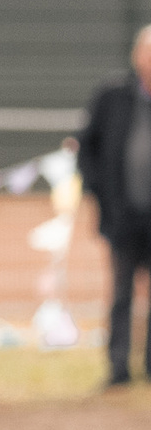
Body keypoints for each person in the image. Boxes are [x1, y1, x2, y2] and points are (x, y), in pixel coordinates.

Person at [75, 23, 151, 385]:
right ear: (138, 57)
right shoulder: (113, 95)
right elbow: (86, 147)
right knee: (121, 293)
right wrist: (98, 193)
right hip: (124, 216)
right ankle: (118, 369)